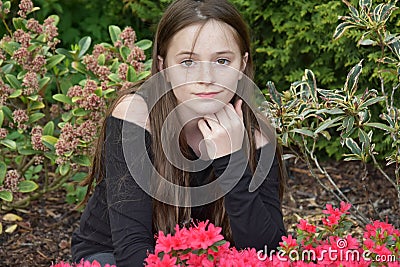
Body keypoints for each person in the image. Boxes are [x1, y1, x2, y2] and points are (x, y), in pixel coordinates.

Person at [71, 0, 287, 266]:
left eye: (222, 61)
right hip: (115, 255)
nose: (206, 77)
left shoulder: (256, 133)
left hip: (204, 258)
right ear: (163, 67)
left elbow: (269, 252)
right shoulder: (137, 115)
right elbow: (131, 248)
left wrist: (231, 161)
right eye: (187, 62)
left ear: (242, 65)